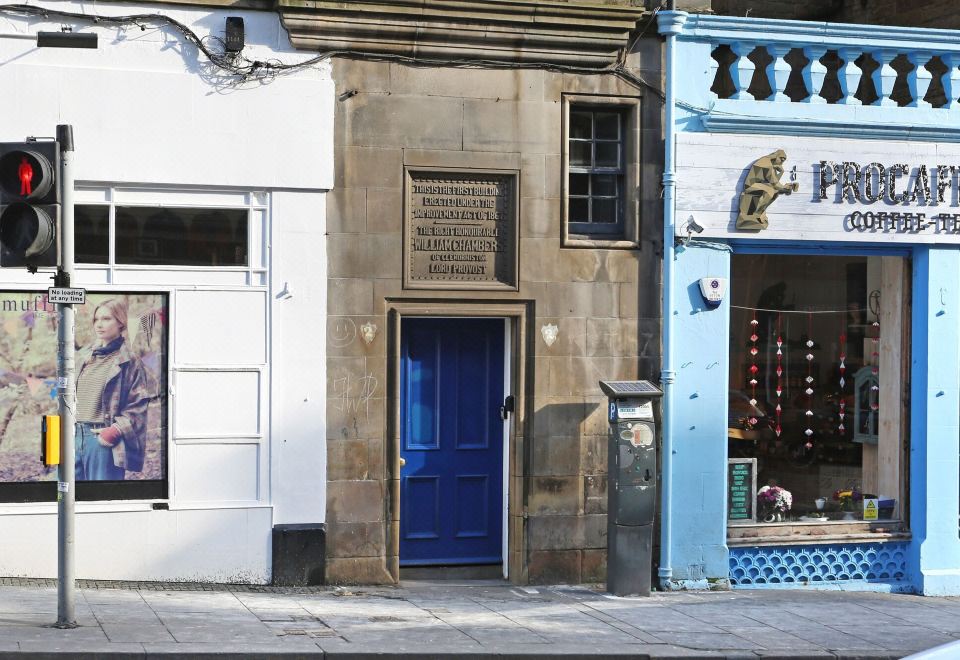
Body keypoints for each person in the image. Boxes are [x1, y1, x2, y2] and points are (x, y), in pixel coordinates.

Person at [75, 298, 150, 481]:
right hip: (73, 437)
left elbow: (139, 405)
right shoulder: (84, 357)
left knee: (100, 496)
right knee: (68, 495)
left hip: (102, 440)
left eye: (106, 319)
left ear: (120, 322)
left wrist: (114, 431)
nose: (99, 324)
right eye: (96, 319)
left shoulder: (129, 361)